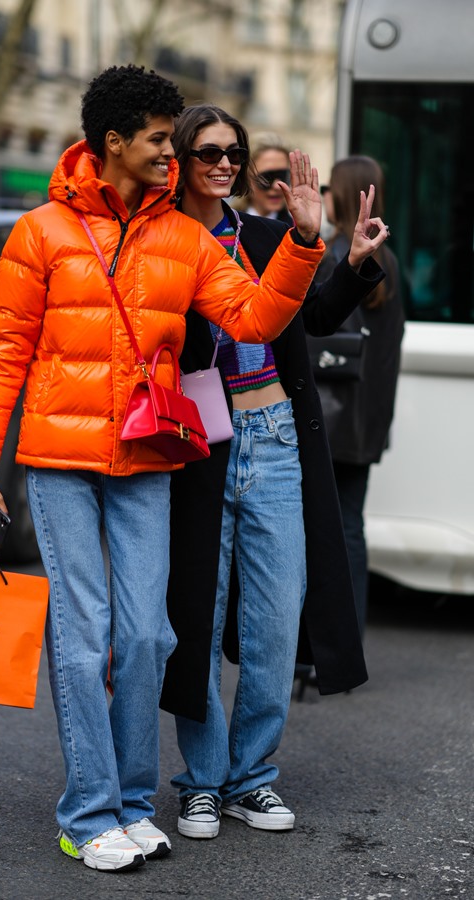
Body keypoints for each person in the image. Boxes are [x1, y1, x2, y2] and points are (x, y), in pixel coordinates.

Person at [0, 66, 326, 874]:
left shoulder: (183, 237)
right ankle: (87, 814)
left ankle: (129, 803)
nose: (174, 150)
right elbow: (2, 352)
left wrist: (300, 242)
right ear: (115, 142)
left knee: (150, 636)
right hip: (60, 462)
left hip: (145, 457)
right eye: (162, 138)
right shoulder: (40, 232)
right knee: (84, 640)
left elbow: (254, 316)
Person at [159, 104, 389, 840]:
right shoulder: (161, 243)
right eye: (211, 153)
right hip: (200, 443)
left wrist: (349, 262)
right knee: (200, 612)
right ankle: (203, 779)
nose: (226, 165)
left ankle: (251, 777)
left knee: (274, 616)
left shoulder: (262, 235)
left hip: (276, 438)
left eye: (237, 154)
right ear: (182, 160)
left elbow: (315, 317)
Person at [315, 156, 405, 638]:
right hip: (366, 419)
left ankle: (319, 644)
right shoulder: (390, 260)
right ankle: (348, 637)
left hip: (328, 419)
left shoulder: (334, 254)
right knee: (351, 526)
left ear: (342, 194)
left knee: (321, 530)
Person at [245, 136, 294, 226]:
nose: (277, 186)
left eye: (283, 176)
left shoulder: (298, 231)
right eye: (268, 177)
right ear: (246, 178)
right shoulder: (225, 225)